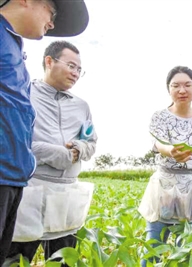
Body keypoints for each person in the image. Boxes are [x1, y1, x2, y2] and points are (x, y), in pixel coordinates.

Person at [0, 0, 88, 265]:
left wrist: (80, 149)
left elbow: (90, 139)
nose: (52, 23)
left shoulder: (13, 48)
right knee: (16, 255)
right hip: (23, 182)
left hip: (17, 180)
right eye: (52, 12)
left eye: (78, 69)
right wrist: (60, 153)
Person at [138, 66, 192, 266]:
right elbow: (157, 143)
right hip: (164, 186)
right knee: (153, 248)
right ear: (169, 90)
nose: (182, 90)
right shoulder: (160, 116)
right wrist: (170, 150)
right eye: (176, 86)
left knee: (188, 250)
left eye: (187, 85)